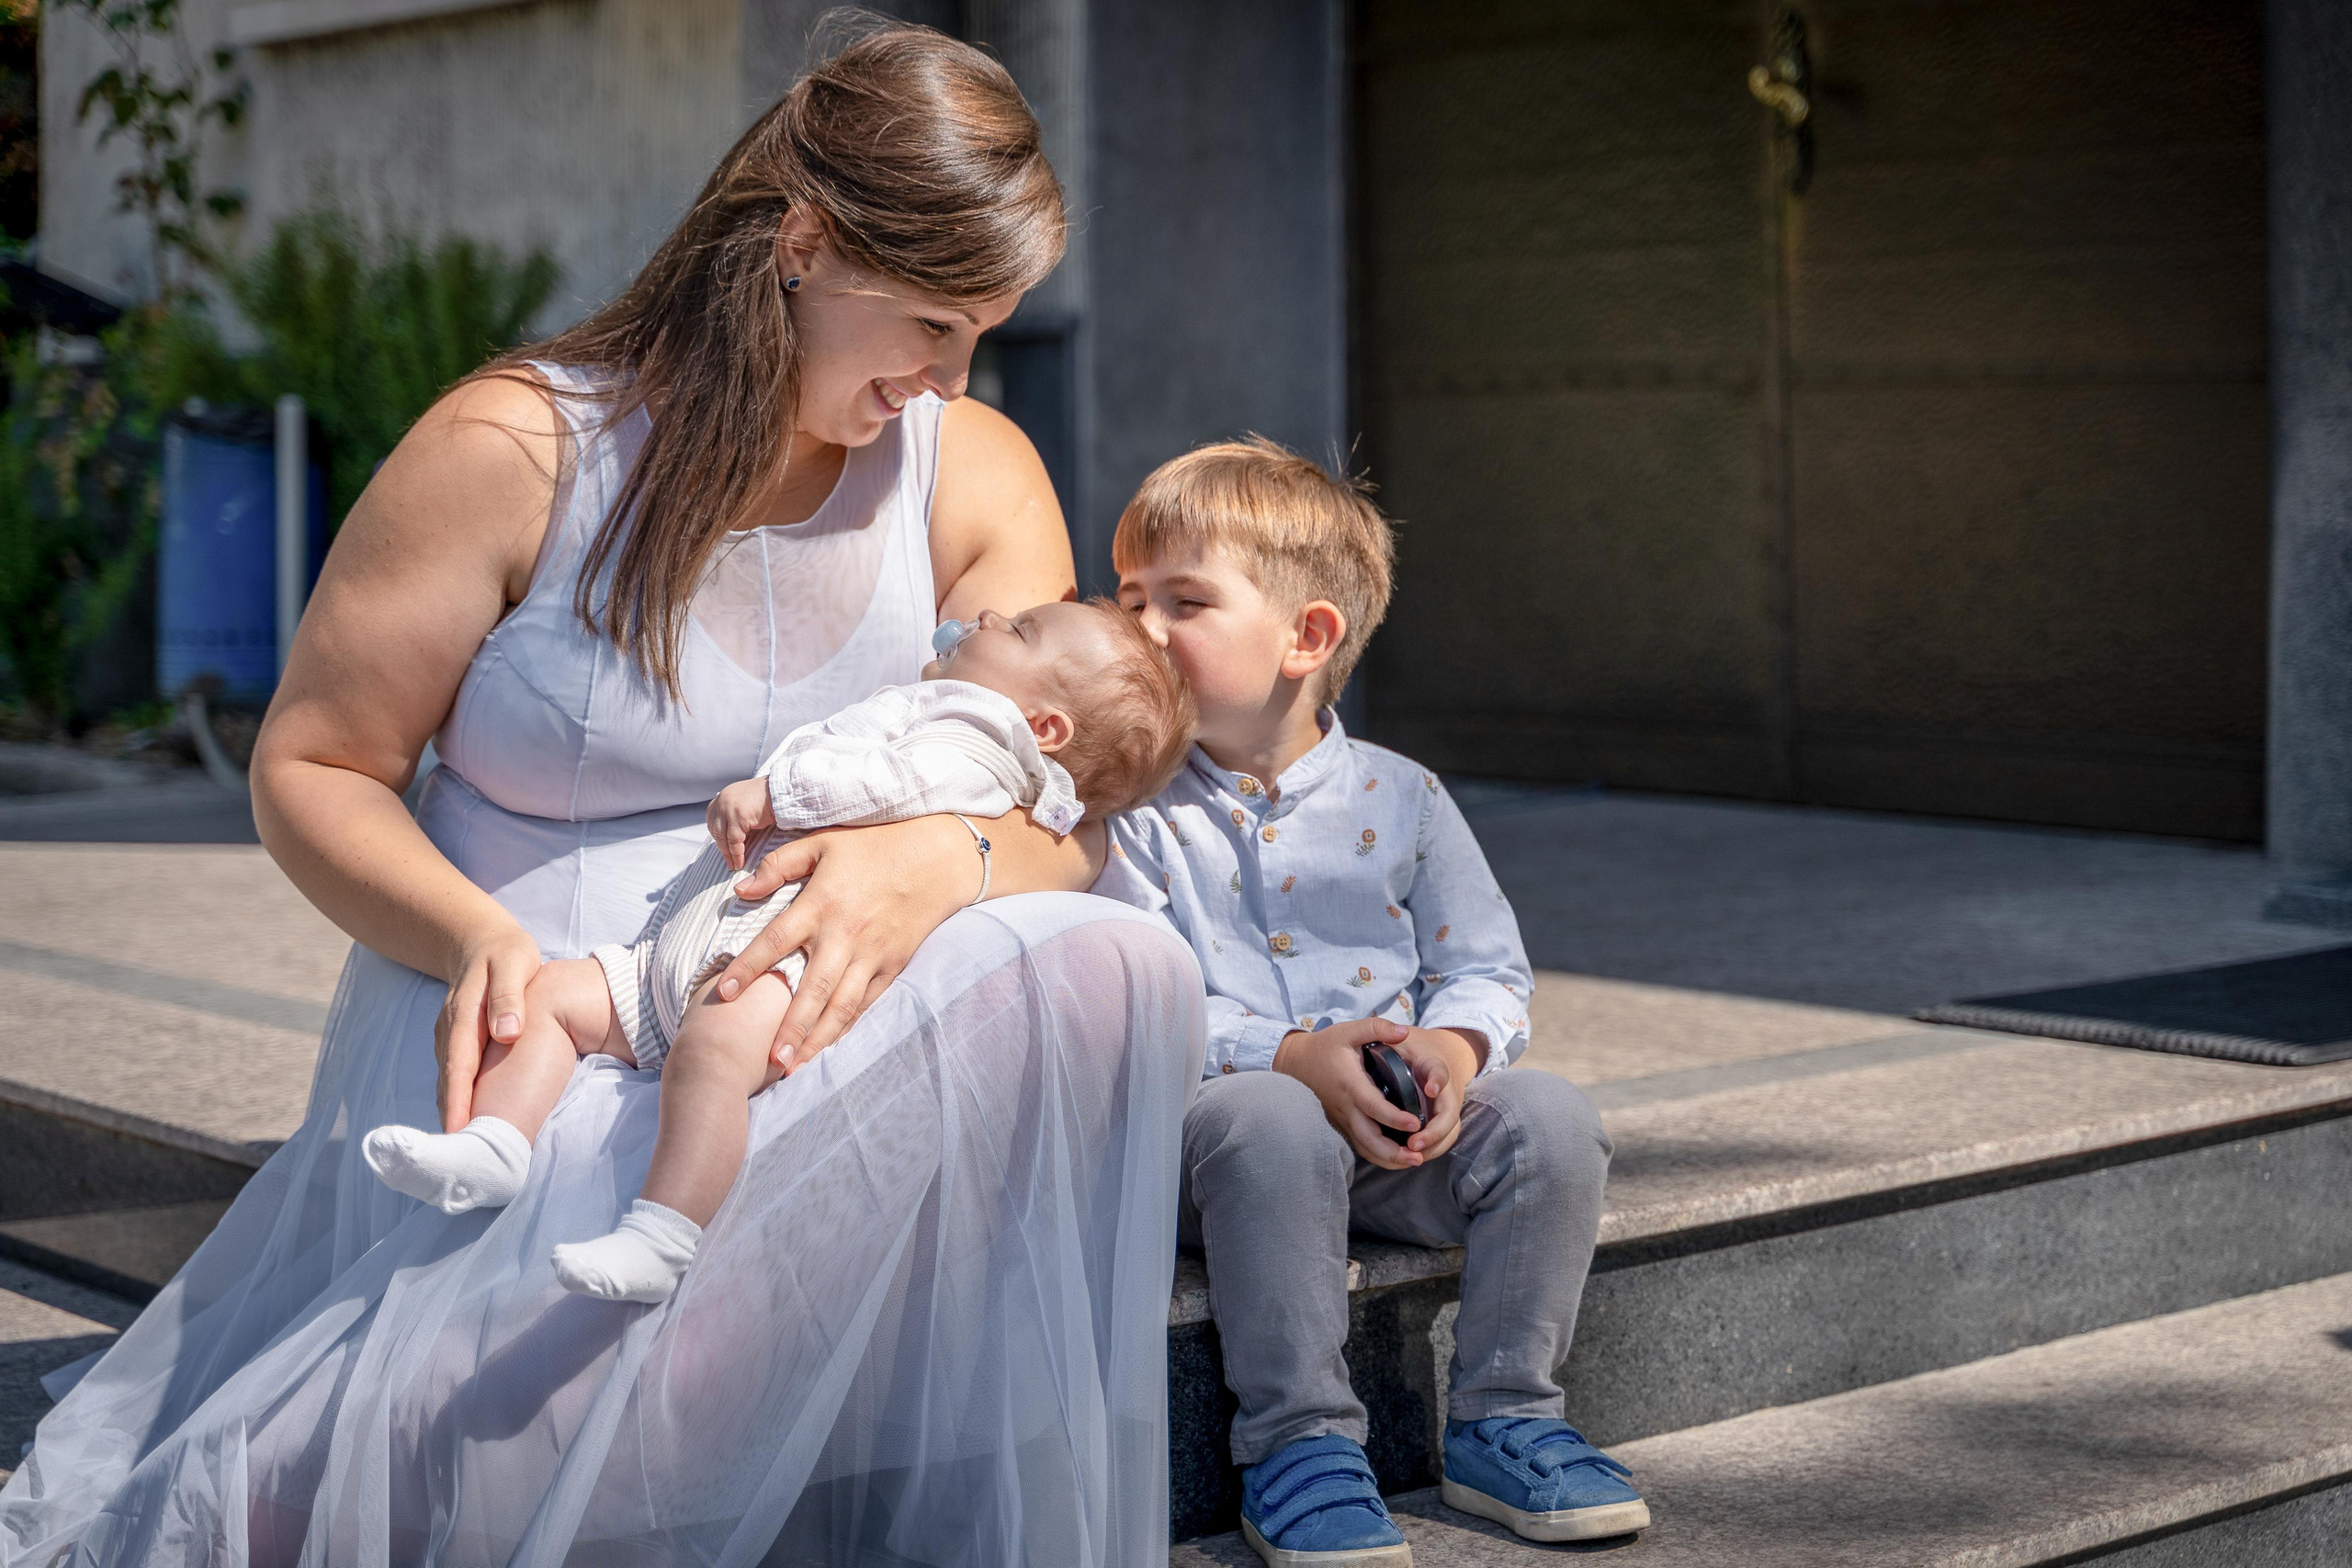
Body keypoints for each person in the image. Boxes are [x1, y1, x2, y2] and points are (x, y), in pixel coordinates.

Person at [0, 26, 1204, 1566]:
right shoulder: (515, 446)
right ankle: (375, 1465)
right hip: (533, 1000)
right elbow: (313, 765)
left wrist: (947, 861)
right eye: (930, 322)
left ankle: (576, 1431)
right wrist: (469, 942)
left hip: (799, 987)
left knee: (1117, 962)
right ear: (804, 242)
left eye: (984, 333)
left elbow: (1061, 804)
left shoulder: (969, 463)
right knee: (598, 1157)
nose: (950, 379)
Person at [1098, 439, 1649, 1565]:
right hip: (1219, 1149)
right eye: (1127, 598)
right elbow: (1130, 994)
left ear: (1306, 637)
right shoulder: (1130, 812)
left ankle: (1507, 1418)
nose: (1139, 629)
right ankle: (1295, 1441)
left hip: (1395, 1147)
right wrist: (1290, 1055)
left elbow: (1486, 966)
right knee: (1270, 1118)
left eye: (1183, 601)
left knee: (1550, 1120)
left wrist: (1449, 1052)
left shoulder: (1405, 797)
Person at [360, 599, 1193, 1306]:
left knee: (714, 1054)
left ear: (1042, 726)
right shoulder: (950, 706)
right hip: (688, 946)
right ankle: (497, 1143)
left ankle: (664, 1229)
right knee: (552, 995)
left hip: (771, 959)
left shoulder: (976, 734)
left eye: (1016, 631)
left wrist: (777, 793)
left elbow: (895, 787)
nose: (986, 615)